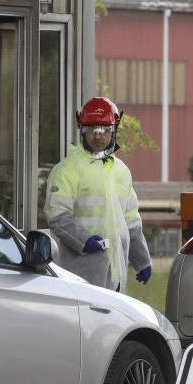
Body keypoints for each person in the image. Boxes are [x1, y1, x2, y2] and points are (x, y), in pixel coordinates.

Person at [43, 97, 152, 291]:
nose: (98, 136)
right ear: (82, 130)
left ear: (114, 130)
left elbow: (131, 222)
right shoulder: (68, 170)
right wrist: (83, 240)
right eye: (92, 129)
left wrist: (142, 260)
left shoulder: (121, 171)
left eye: (104, 130)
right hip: (78, 275)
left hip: (116, 275)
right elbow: (57, 215)